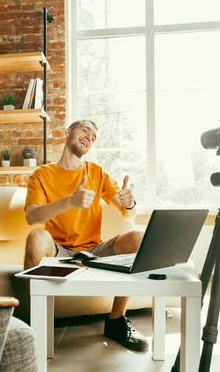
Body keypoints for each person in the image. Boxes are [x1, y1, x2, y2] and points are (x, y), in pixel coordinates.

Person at [23, 119, 148, 352]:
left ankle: (116, 320)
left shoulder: (97, 173)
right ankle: (37, 325)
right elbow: (32, 217)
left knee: (139, 237)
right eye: (85, 131)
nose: (89, 138)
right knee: (36, 237)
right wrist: (70, 201)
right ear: (68, 132)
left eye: (93, 138)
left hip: (93, 250)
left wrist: (129, 203)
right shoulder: (42, 174)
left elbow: (126, 212)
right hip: (58, 250)